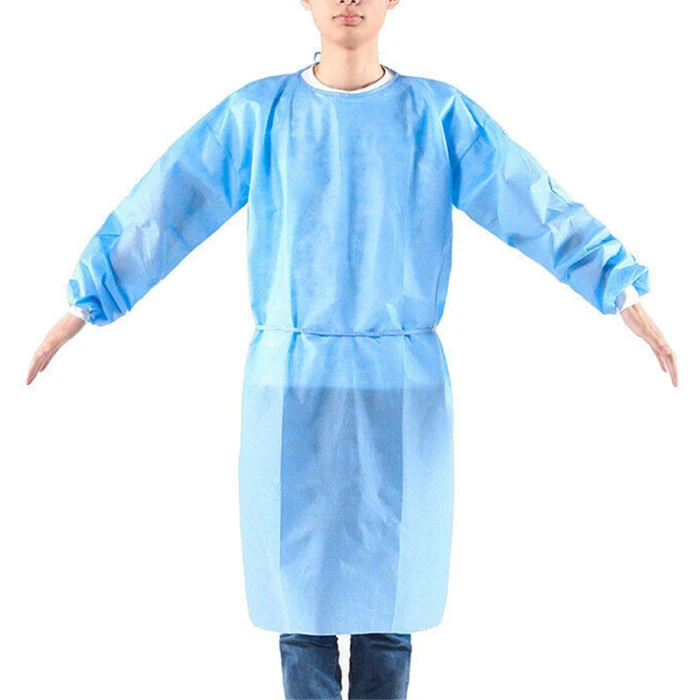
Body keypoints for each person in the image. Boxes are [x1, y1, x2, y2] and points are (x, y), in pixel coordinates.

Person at [26, 1, 678, 698]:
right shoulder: (260, 114)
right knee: (300, 616)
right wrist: (87, 301)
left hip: (399, 385)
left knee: (387, 616)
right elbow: (170, 202)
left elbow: (529, 202)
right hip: (292, 385)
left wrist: (616, 286)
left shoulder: (436, 117)